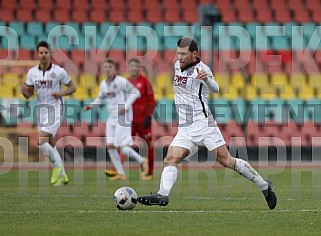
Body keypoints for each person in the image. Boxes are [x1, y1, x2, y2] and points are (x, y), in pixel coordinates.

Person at [137, 38, 277, 209]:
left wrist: (207, 80)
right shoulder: (176, 66)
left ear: (194, 54)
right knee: (170, 159)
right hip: (185, 128)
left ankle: (265, 186)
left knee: (226, 161)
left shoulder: (201, 69)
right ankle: (162, 195)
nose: (179, 56)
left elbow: (215, 88)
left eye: (183, 53)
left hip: (204, 125)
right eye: (178, 53)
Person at [21, 41, 76, 187]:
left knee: (41, 141)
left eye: (46, 52)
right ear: (37, 54)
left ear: (50, 54)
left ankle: (57, 168)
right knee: (50, 142)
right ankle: (63, 175)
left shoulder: (58, 71)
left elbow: (73, 87)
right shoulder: (32, 72)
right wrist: (23, 90)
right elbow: (28, 94)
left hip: (56, 109)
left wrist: (61, 93)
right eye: (41, 52)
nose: (44, 55)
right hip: (41, 111)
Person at [83, 58, 148, 180]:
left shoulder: (121, 81)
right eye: (106, 67)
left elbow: (136, 92)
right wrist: (91, 105)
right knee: (110, 145)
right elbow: (100, 99)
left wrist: (126, 106)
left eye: (110, 67)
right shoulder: (103, 84)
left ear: (115, 69)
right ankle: (122, 172)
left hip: (123, 117)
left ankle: (141, 161)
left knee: (120, 146)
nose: (108, 70)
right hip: (112, 117)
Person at [105, 58, 156, 180]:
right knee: (121, 143)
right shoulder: (125, 81)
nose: (133, 68)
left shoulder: (145, 82)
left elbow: (152, 100)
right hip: (129, 120)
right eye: (131, 66)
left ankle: (149, 171)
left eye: (135, 66)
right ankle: (118, 170)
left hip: (143, 119)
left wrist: (148, 116)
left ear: (139, 68)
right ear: (128, 68)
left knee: (148, 144)